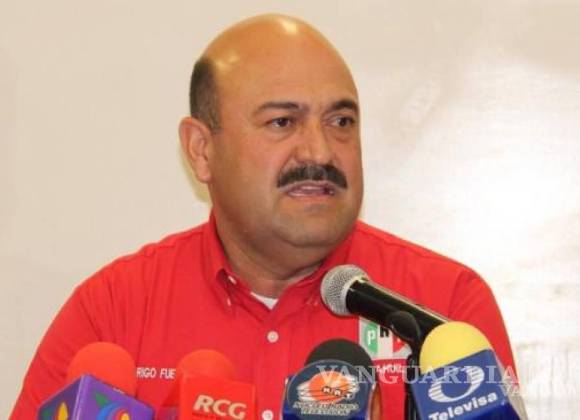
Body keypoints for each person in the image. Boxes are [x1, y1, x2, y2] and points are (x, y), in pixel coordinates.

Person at [11, 14, 516, 419]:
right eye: (282, 122)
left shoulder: (445, 309)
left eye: (341, 121)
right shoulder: (113, 313)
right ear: (201, 150)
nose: (320, 151)